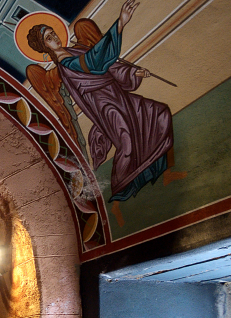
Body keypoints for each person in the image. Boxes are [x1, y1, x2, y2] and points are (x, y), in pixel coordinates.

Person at [26, 0, 183, 202]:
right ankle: (120, 190)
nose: (54, 37)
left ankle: (163, 173)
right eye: (48, 38)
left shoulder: (75, 49)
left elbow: (109, 67)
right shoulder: (65, 62)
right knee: (126, 141)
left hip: (116, 94)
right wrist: (120, 24)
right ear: (44, 46)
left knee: (158, 113)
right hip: (103, 104)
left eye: (53, 33)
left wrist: (133, 71)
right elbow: (95, 62)